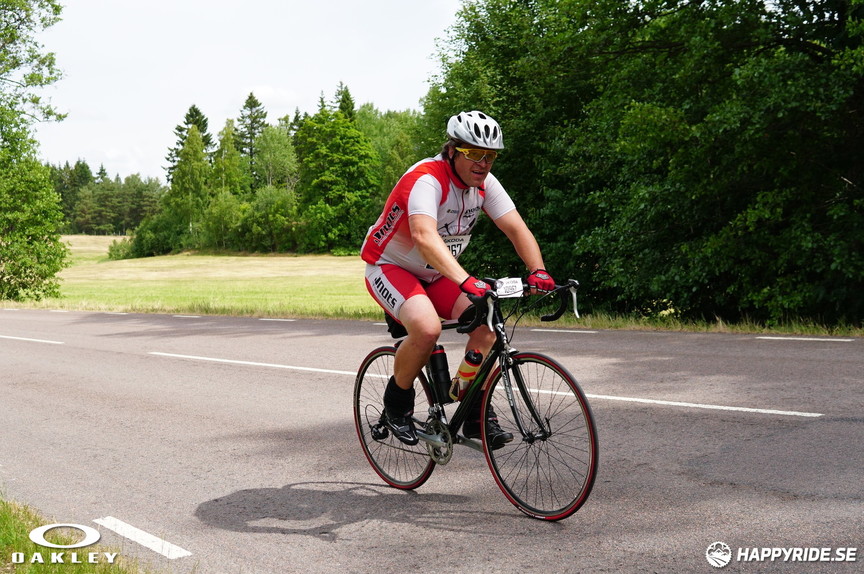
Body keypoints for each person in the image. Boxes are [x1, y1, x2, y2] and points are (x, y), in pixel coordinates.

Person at [360, 110, 556, 447]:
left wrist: (537, 270)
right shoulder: (426, 179)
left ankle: (473, 410)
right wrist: (467, 281)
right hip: (391, 266)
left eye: (490, 156)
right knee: (426, 328)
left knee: (487, 324)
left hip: (437, 271)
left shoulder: (484, 185)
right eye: (473, 154)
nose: (483, 163)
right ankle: (396, 404)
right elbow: (423, 236)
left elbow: (516, 228)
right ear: (452, 151)